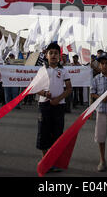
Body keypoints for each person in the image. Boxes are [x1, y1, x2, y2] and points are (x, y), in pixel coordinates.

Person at [36, 42, 72, 172]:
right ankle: (45, 160)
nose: (53, 55)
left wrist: (58, 99)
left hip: (59, 106)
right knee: (43, 132)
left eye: (56, 53)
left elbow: (69, 89)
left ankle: (54, 161)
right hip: (44, 105)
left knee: (57, 133)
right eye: (50, 53)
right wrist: (45, 93)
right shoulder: (42, 70)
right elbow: (36, 88)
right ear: (46, 55)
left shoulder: (63, 70)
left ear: (59, 56)